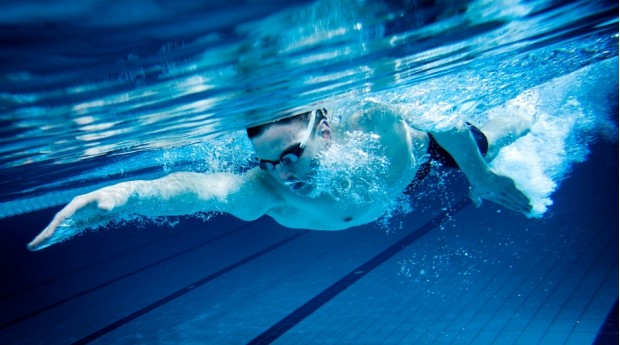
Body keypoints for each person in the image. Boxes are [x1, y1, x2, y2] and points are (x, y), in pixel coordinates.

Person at [27, 100, 532, 251]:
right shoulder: (265, 192)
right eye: (267, 162)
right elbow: (195, 190)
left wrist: (481, 177)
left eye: (291, 153)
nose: (283, 173)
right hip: (394, 183)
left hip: (423, 161)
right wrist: (116, 198)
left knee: (516, 126)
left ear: (326, 130)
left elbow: (439, 114)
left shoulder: (372, 122)